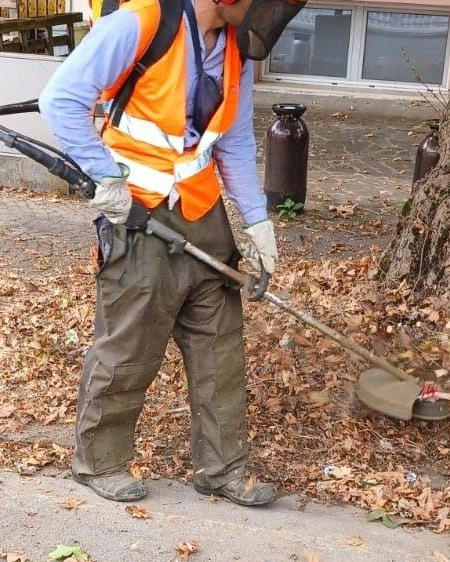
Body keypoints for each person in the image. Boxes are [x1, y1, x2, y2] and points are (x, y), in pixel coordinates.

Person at [38, 0, 306, 506]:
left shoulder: (236, 50)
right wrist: (105, 175)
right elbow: (60, 100)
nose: (268, 15)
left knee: (218, 346)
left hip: (203, 212)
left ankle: (222, 469)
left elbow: (233, 141)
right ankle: (99, 461)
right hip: (138, 211)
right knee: (129, 344)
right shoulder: (140, 23)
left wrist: (255, 222)